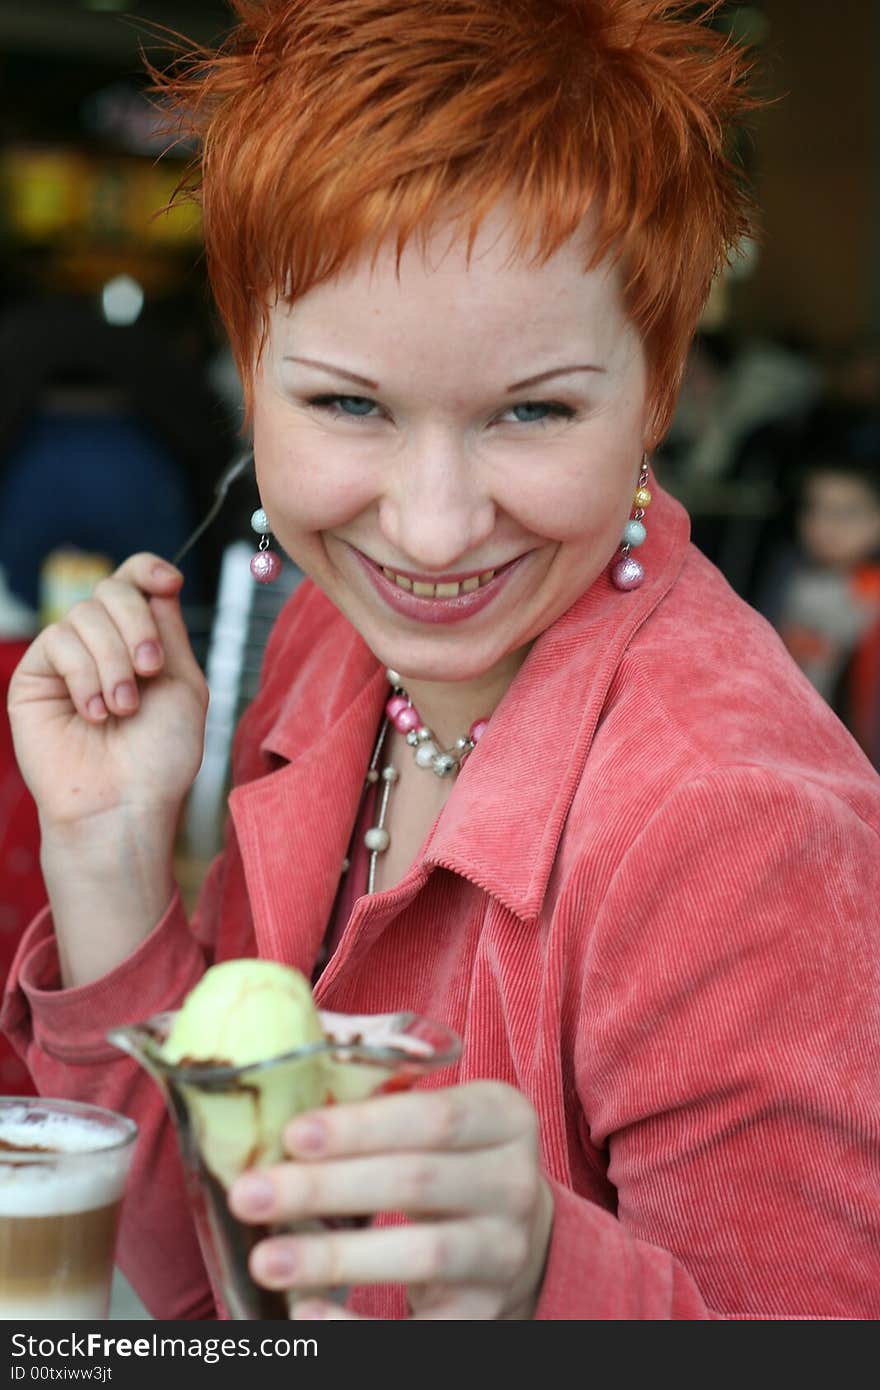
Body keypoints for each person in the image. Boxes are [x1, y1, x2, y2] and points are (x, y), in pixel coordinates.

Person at [4, 0, 879, 1321]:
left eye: (532, 410)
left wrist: (544, 1276)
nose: (431, 525)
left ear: (657, 386)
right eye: (349, 403)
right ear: (249, 369)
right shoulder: (334, 642)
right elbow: (211, 1296)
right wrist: (108, 852)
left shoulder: (732, 819)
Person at [758, 407, 880, 769]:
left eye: (845, 513)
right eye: (815, 509)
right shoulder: (786, 574)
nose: (825, 525)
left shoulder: (872, 589)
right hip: (784, 736)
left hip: (854, 751)